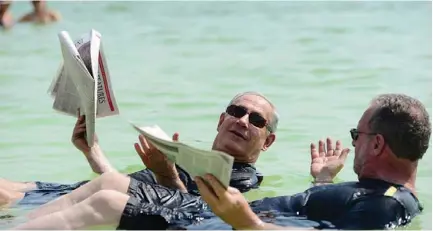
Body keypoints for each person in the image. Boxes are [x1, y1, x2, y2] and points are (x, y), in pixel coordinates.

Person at [13, 93, 429, 230]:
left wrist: (246, 221)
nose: (351, 143)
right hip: (226, 217)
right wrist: (321, 182)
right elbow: (322, 219)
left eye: (357, 137)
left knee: (107, 200)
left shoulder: (389, 204)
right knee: (108, 187)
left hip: (228, 223)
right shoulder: (374, 195)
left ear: (376, 146)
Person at [1, 92, 285, 210]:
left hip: (89, 205)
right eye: (236, 112)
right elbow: (130, 187)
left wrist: (167, 175)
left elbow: (191, 216)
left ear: (267, 142)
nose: (242, 121)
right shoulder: (195, 158)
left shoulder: (242, 180)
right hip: (86, 191)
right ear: (221, 120)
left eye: (256, 120)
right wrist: (93, 151)